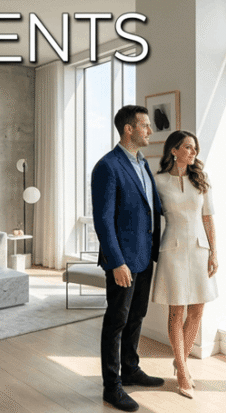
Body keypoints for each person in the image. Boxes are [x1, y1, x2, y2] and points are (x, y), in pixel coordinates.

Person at [91, 105, 165, 412]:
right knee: (117, 320)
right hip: (123, 260)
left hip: (145, 255)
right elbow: (103, 220)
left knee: (136, 317)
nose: (149, 131)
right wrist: (116, 262)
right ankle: (112, 386)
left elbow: (151, 207)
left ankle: (131, 369)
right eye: (145, 126)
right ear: (128, 130)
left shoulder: (143, 163)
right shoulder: (107, 166)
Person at [150, 130, 219, 399]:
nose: (193, 153)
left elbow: (208, 218)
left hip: (200, 250)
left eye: (195, 148)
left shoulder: (201, 179)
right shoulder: (158, 182)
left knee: (197, 311)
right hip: (173, 251)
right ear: (174, 150)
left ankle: (181, 360)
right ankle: (182, 371)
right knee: (176, 313)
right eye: (188, 148)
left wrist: (214, 253)